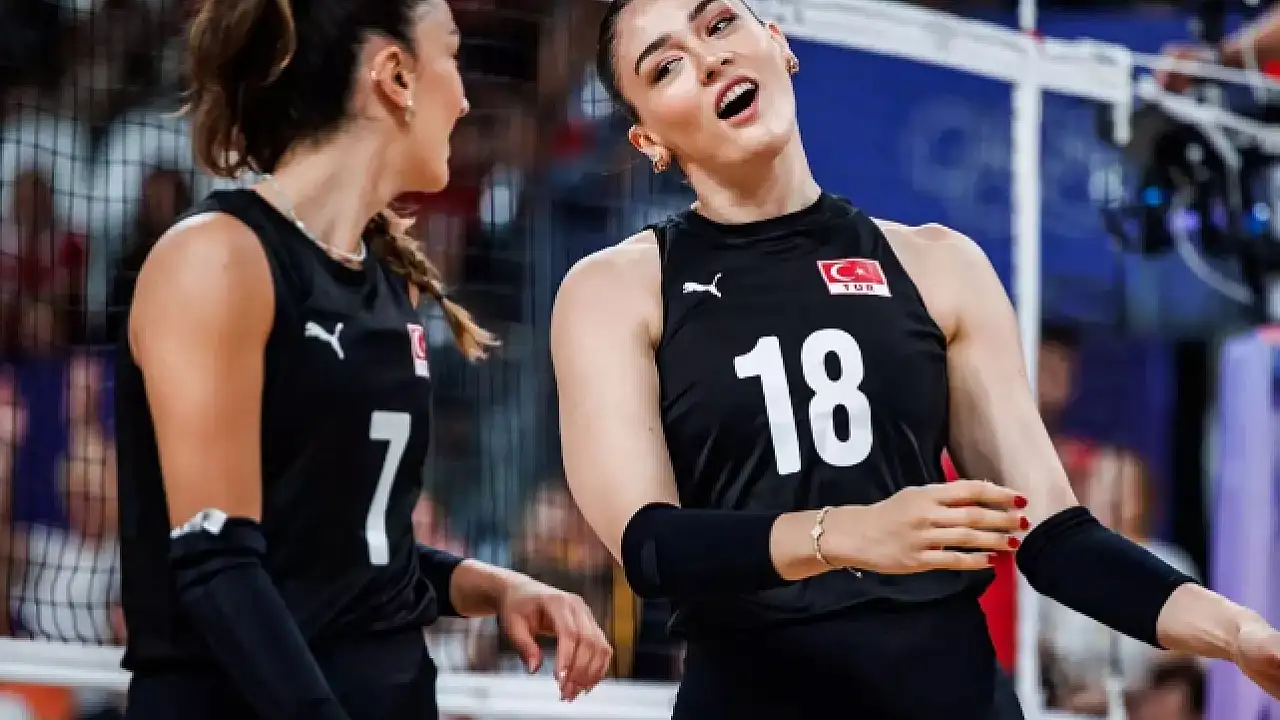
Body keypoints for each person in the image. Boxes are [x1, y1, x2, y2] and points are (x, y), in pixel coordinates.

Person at [550, 1, 1280, 718]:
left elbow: (1057, 539)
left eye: (719, 24)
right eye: (667, 66)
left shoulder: (938, 263)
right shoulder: (617, 288)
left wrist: (1239, 634)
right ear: (649, 140)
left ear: (778, 44)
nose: (710, 58)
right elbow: (652, 546)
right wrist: (845, 533)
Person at [114, 1, 611, 719]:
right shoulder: (218, 258)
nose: (465, 98)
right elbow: (218, 567)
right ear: (395, 75)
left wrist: (497, 586)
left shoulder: (384, 280)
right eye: (452, 56)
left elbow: (349, 554)